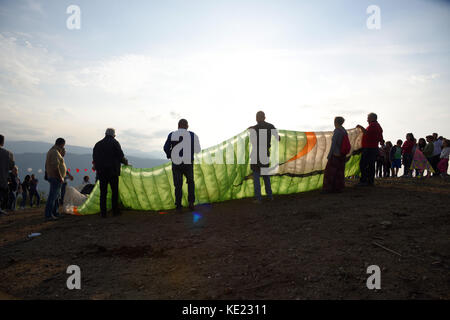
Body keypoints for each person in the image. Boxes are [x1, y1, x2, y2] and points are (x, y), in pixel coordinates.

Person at [164, 120, 201, 212]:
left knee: (178, 185)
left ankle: (178, 206)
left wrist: (170, 155)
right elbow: (198, 149)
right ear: (186, 126)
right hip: (188, 162)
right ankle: (191, 203)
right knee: (190, 182)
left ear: (178, 126)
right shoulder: (192, 135)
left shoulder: (172, 134)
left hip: (176, 162)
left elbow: (165, 147)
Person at [93, 128, 129, 218]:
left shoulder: (98, 144)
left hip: (101, 172)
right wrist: (126, 162)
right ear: (113, 135)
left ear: (105, 134)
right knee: (114, 192)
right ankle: (115, 211)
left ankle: (103, 213)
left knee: (103, 193)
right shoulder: (115, 143)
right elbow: (120, 156)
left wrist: (98, 168)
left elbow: (95, 158)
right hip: (113, 171)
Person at [248, 111, 279, 203]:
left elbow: (252, 141)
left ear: (257, 118)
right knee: (266, 176)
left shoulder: (254, 128)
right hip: (265, 154)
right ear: (264, 118)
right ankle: (270, 196)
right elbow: (278, 138)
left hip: (256, 154)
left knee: (256, 176)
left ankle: (258, 198)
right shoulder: (270, 126)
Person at [356, 113, 384, 186]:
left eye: (368, 117)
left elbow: (367, 133)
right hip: (373, 148)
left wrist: (360, 127)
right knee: (370, 165)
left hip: (369, 148)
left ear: (372, 118)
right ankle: (370, 181)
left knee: (363, 164)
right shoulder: (378, 126)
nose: (367, 119)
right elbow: (381, 138)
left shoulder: (373, 125)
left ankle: (364, 181)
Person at [323, 116, 348, 193]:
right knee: (339, 172)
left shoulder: (337, 131)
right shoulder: (344, 131)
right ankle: (338, 188)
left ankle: (329, 189)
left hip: (336, 155)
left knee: (330, 173)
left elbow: (333, 145)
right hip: (342, 155)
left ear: (335, 122)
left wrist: (329, 155)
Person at [44, 138, 67, 221]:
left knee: (56, 197)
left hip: (53, 177)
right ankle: (48, 215)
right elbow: (55, 167)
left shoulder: (53, 151)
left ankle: (55, 213)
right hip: (55, 177)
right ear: (62, 144)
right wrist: (60, 177)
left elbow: (47, 165)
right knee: (52, 197)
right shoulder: (54, 152)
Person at [0, 134, 15, 215]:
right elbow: (11, 167)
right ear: (2, 142)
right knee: (3, 195)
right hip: (2, 178)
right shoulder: (6, 153)